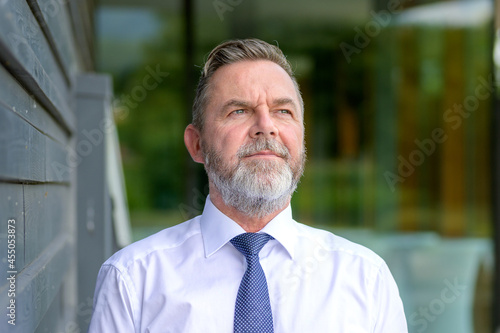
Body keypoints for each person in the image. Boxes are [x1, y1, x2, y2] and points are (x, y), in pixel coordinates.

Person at [88, 38, 408, 332]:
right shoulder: (133, 279)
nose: (266, 127)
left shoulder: (366, 279)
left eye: (283, 111)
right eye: (239, 111)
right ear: (197, 144)